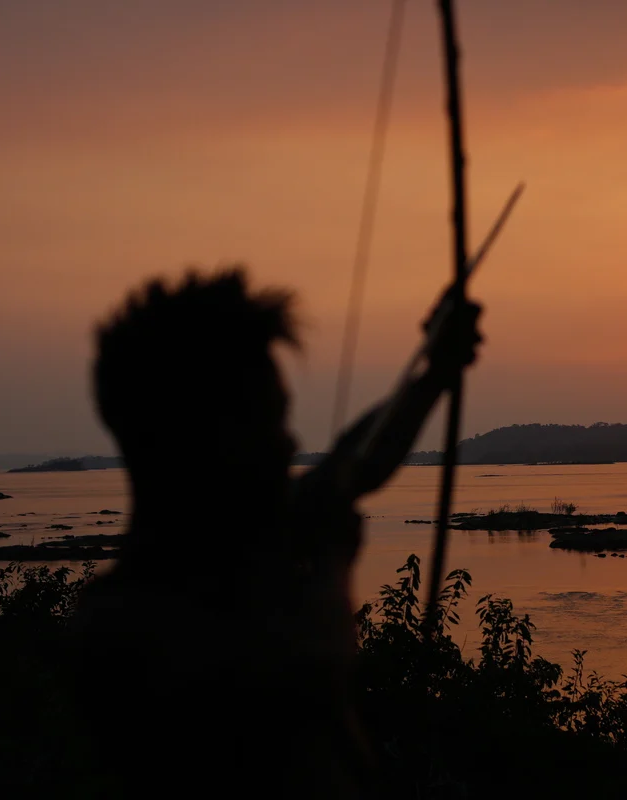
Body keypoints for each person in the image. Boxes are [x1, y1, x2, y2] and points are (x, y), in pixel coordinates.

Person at [72, 267, 482, 798]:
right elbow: (295, 670)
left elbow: (348, 466)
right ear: (195, 438)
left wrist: (431, 373)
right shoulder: (124, 626)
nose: (289, 444)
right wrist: (333, 573)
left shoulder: (240, 540)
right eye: (265, 421)